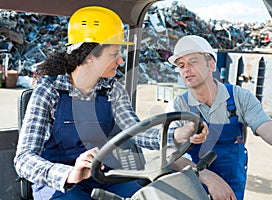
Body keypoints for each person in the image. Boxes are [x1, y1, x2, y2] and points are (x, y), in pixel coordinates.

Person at [14, 7, 208, 199]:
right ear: (89, 57)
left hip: (102, 175)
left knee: (146, 195)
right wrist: (69, 174)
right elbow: (23, 160)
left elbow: (136, 132)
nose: (121, 61)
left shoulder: (112, 90)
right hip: (58, 183)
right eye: (114, 54)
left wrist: (176, 135)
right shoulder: (49, 91)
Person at [167, 35, 272, 200]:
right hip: (192, 183)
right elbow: (170, 156)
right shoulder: (178, 105)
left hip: (231, 184)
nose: (186, 69)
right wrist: (206, 176)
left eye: (193, 61)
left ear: (211, 65)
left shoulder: (239, 98)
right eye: (181, 65)